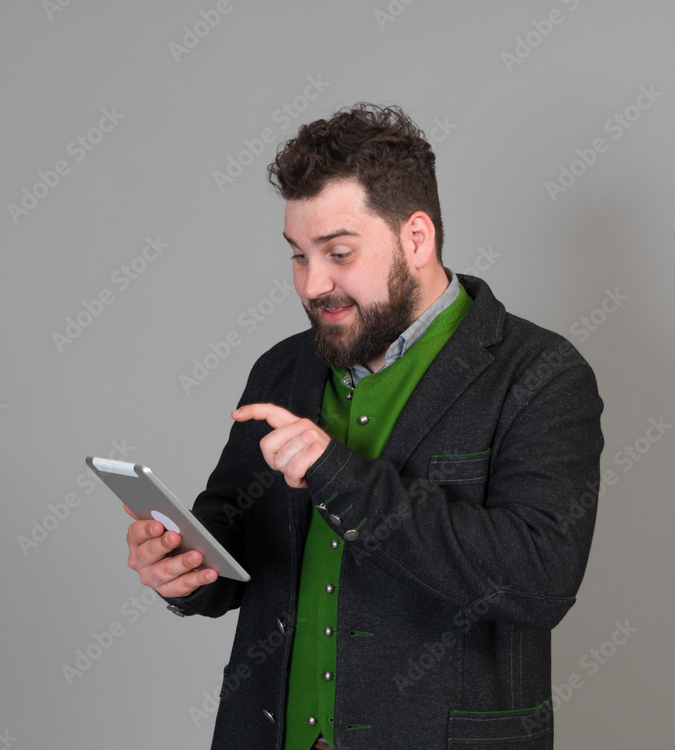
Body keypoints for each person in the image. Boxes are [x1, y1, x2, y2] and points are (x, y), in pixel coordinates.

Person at [125, 103, 604, 749]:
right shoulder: (283, 368)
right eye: (298, 256)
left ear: (416, 237)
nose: (313, 283)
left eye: (339, 252)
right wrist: (185, 571)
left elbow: (539, 581)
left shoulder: (540, 373)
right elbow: (238, 546)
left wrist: (338, 473)